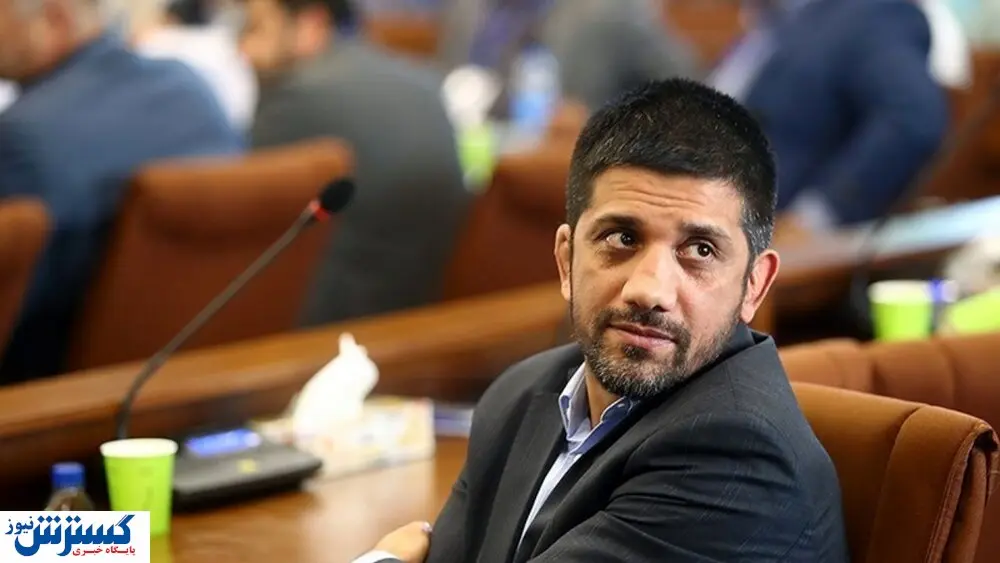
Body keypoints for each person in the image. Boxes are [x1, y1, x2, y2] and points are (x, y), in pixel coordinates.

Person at [353, 79, 849, 563]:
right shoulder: (520, 395)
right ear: (566, 260)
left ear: (754, 286)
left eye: (700, 250)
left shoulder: (740, 459)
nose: (649, 290)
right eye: (622, 239)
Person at [0, 0, 243, 382]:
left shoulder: (22, 137)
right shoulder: (190, 88)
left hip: (53, 391)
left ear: (55, 21)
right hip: (204, 375)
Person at [242, 0, 470, 324]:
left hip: (331, 326)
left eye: (256, 28)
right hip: (430, 312)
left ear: (310, 25)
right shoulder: (423, 81)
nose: (244, 48)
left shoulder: (296, 98)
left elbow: (239, 228)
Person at [710, 0, 949, 233]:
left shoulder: (876, 12)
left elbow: (912, 118)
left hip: (761, 232)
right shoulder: (772, 21)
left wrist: (814, 219)